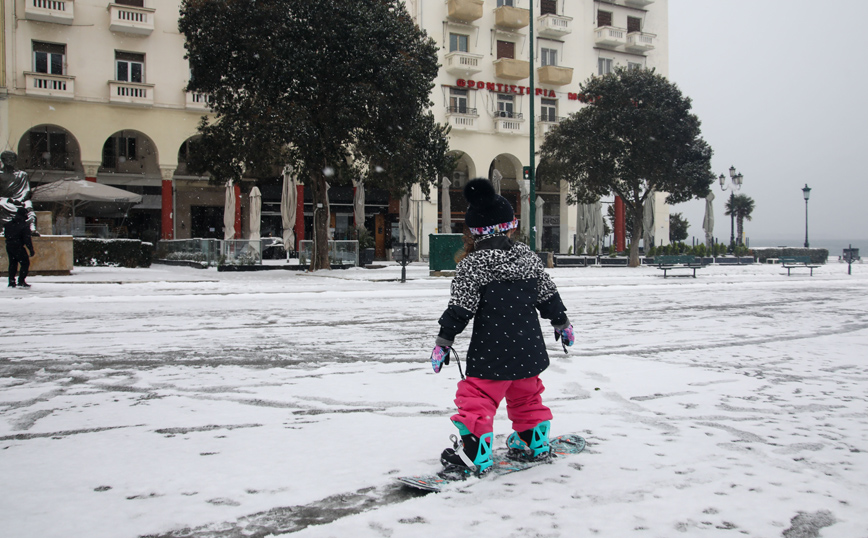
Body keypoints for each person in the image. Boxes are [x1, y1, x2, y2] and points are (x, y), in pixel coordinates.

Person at [430, 178, 575, 475]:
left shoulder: (474, 265)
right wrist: (562, 322)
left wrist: (444, 341)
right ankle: (532, 439)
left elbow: (460, 308)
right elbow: (548, 295)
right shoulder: (527, 257)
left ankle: (474, 452)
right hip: (529, 348)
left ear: (472, 232)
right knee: (527, 396)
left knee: (478, 398)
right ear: (511, 225)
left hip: (493, 350)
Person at [0, 151, 37, 234]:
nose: (10, 161)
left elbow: (27, 190)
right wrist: (10, 200)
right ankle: (5, 228)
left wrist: (20, 199)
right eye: (7, 159)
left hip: (20, 199)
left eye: (12, 159)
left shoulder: (22, 175)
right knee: (1, 205)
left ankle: (31, 228)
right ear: (3, 160)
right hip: (4, 199)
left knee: (28, 205)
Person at [3, 202, 36, 288]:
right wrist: (31, 249)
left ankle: (11, 281)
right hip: (18, 246)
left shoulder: (9, 224)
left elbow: (6, 235)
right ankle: (21, 280)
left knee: (12, 264)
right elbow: (27, 239)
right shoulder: (24, 225)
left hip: (9, 245)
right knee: (25, 263)